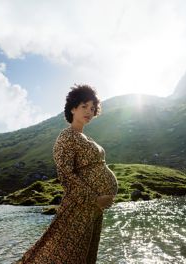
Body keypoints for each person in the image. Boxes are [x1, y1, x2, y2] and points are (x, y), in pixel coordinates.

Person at [16, 84, 118, 264]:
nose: (89, 111)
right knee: (66, 253)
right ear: (73, 108)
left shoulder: (85, 138)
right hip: (81, 205)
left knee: (87, 254)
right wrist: (93, 199)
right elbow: (66, 175)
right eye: (84, 106)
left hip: (94, 208)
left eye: (93, 108)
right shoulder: (67, 136)